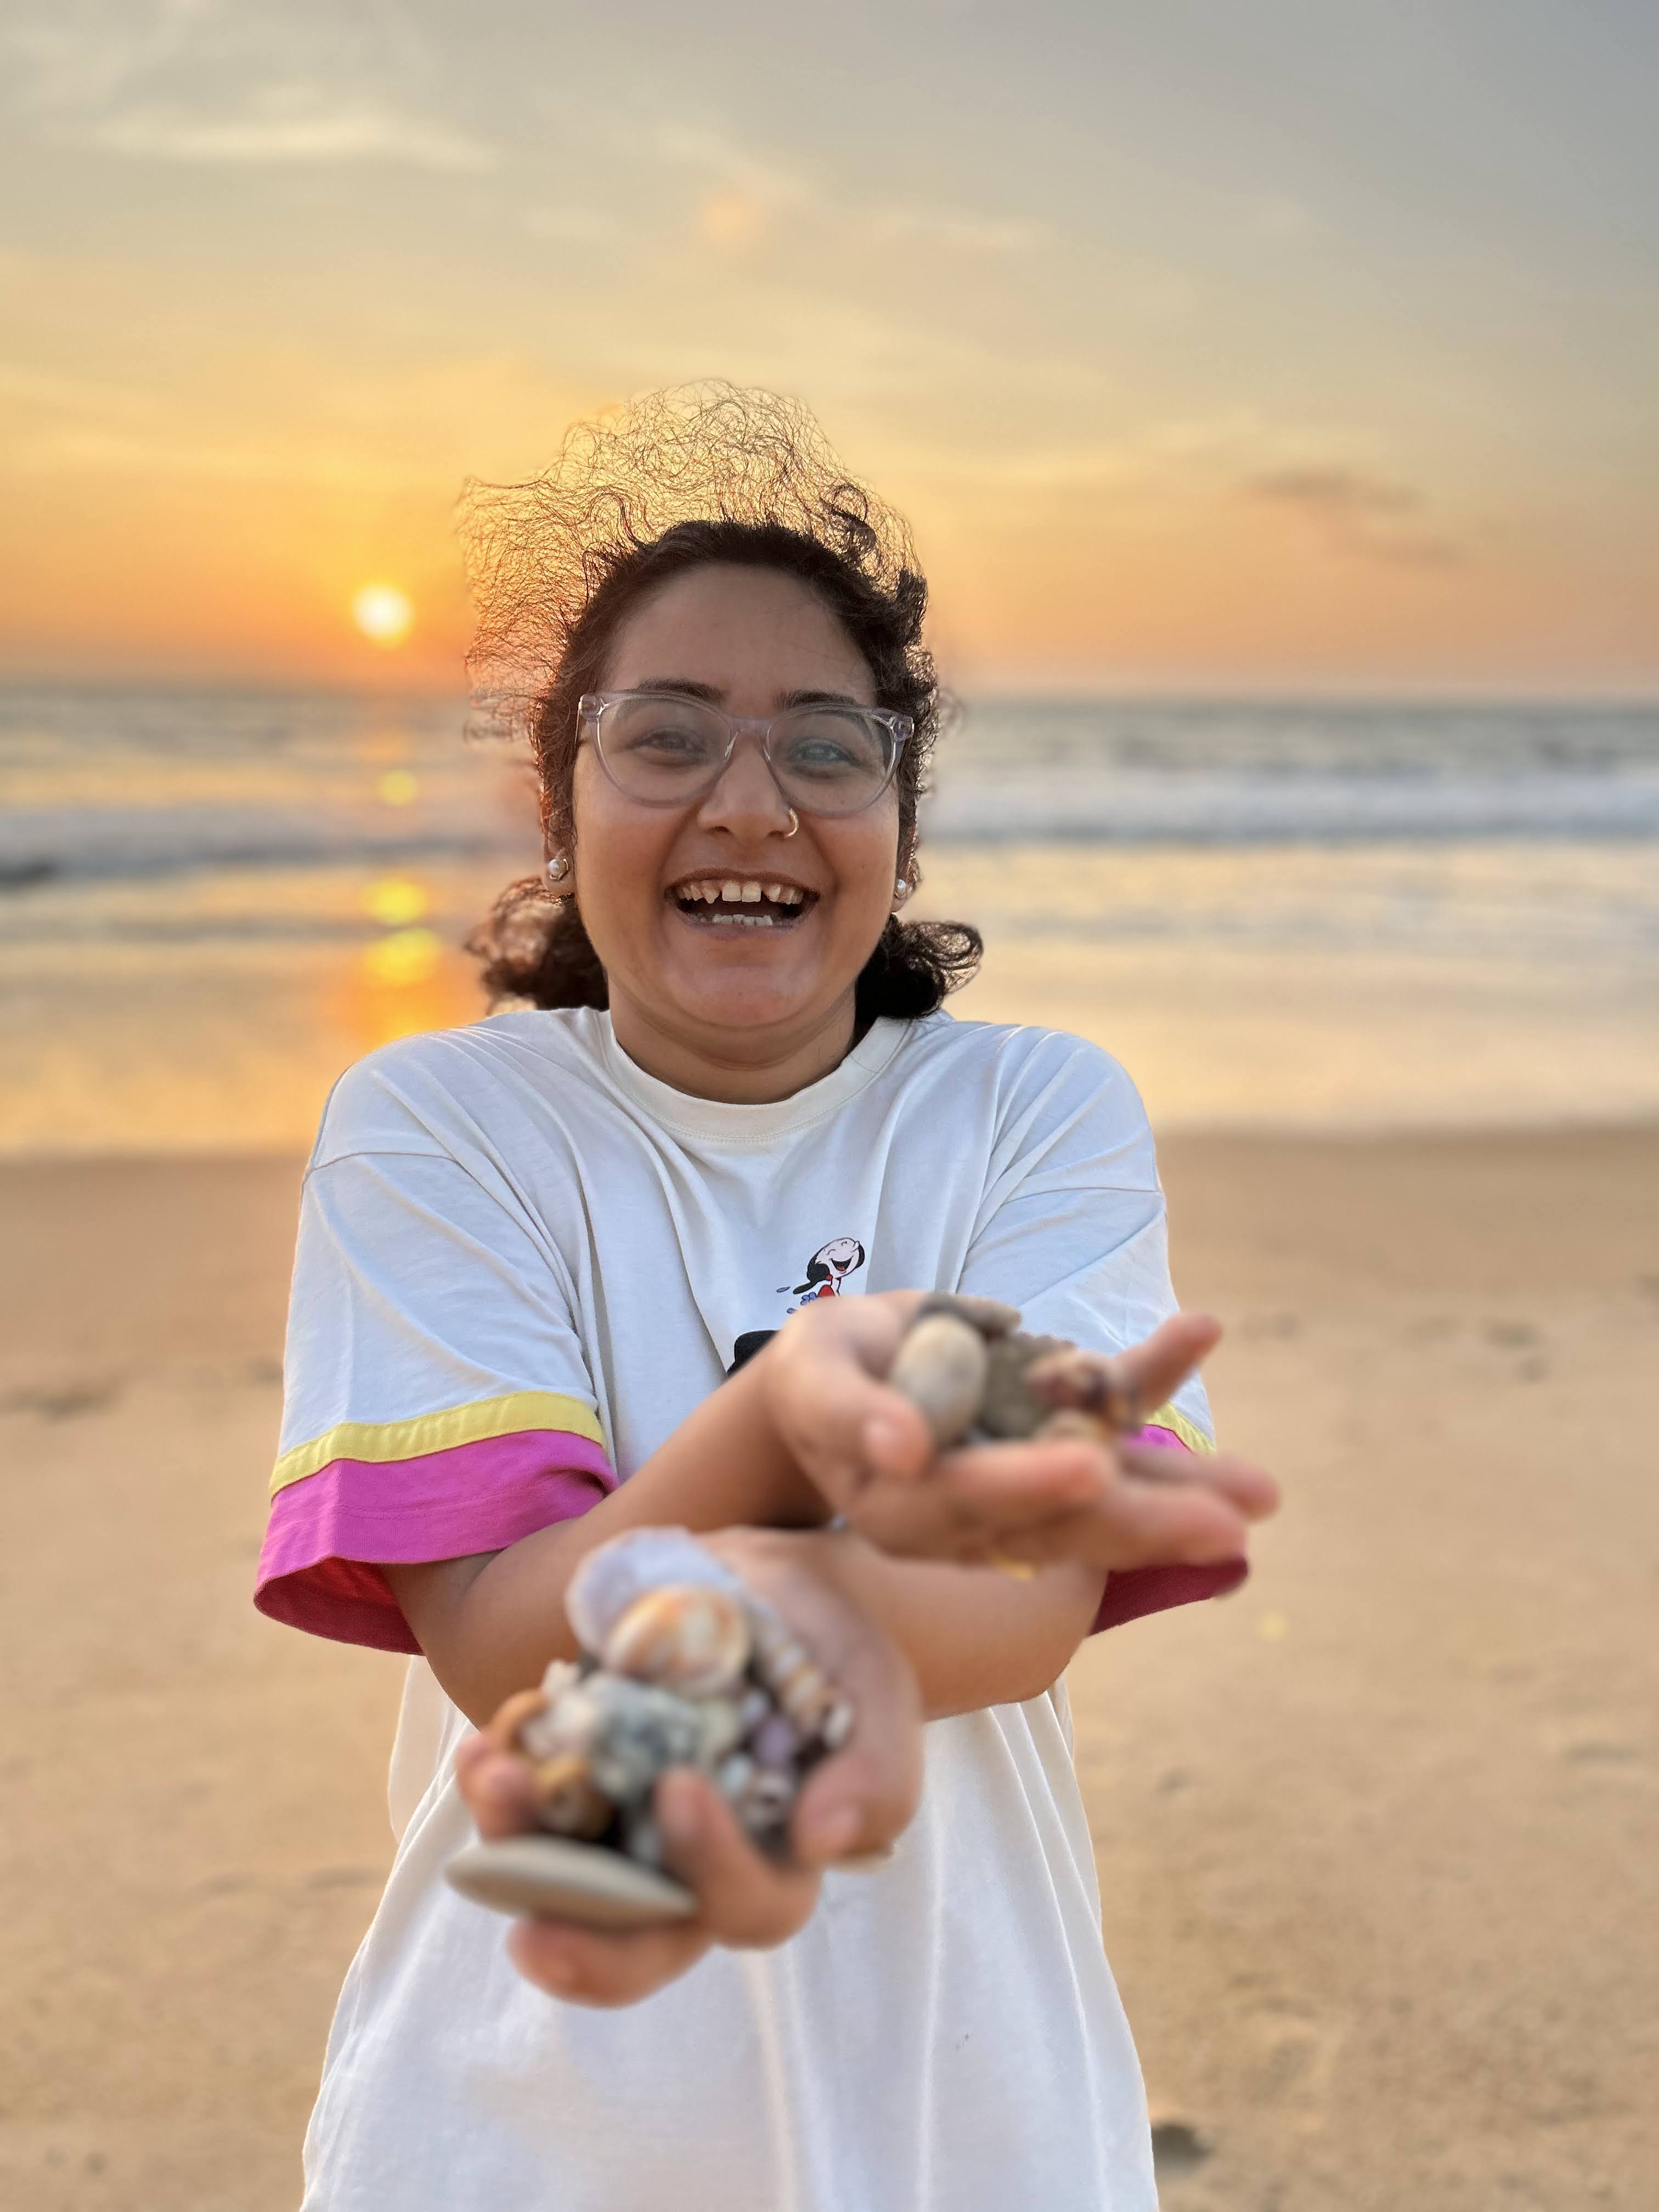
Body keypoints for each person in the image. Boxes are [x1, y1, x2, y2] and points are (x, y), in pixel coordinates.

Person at [255, 385, 1277, 2210]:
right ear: (559, 800)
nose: (750, 803)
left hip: (973, 2134)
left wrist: (695, 1576)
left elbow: (1025, 1608)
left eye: (826, 744)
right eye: (665, 737)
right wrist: (795, 1423)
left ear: (901, 817)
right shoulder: (442, 1125)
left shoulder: (1026, 1113)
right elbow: (497, 1643)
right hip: (517, 2136)